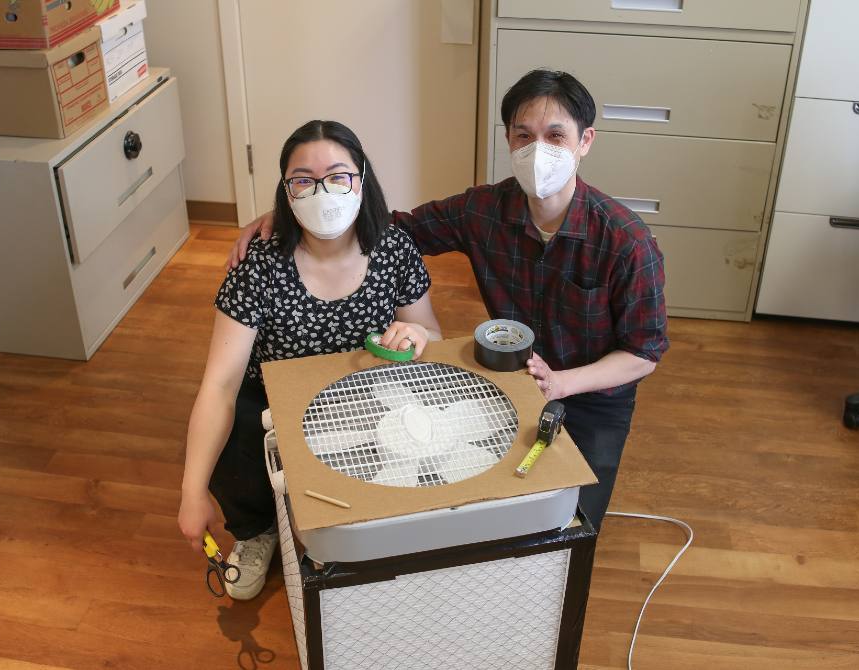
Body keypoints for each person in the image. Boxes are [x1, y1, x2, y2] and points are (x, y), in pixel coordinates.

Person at [228, 70, 668, 533]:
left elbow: (644, 352)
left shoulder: (626, 241)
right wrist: (300, 207)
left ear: (585, 141)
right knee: (484, 502)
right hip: (511, 373)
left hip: (596, 394)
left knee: (571, 523)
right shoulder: (484, 210)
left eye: (555, 135)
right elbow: (392, 227)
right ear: (508, 140)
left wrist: (561, 384)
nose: (538, 149)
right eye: (524, 135)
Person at [180, 120, 441, 600]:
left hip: (364, 389)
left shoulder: (394, 247)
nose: (323, 191)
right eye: (303, 179)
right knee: (236, 419)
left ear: (362, 179)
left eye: (338, 175)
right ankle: (257, 531)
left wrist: (417, 332)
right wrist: (192, 493)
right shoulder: (260, 262)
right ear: (286, 191)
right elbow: (218, 385)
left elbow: (432, 333)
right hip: (276, 401)